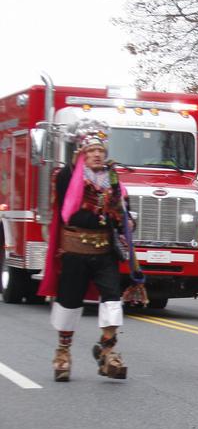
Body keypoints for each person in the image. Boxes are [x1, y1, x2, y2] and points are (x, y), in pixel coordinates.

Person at [38, 119, 139, 382]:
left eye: (101, 151)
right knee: (69, 303)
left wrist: (128, 221)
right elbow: (68, 211)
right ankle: (63, 352)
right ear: (81, 153)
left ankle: (108, 351)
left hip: (104, 251)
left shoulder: (114, 179)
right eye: (91, 151)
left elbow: (123, 210)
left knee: (112, 300)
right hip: (75, 251)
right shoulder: (67, 176)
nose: (97, 155)